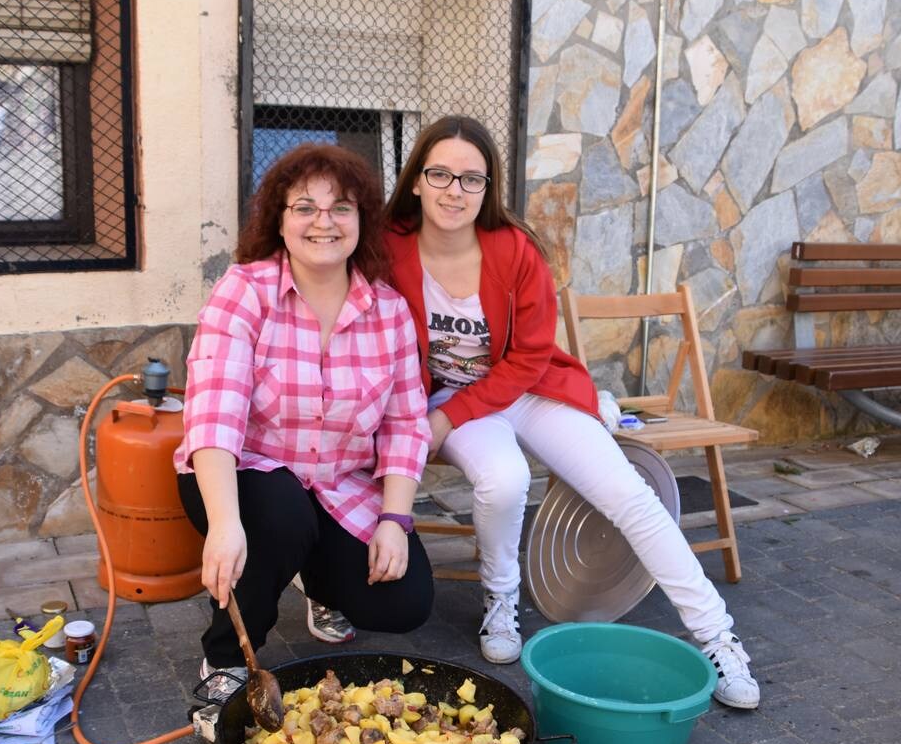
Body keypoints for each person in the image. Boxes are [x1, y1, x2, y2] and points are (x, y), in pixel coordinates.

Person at [380, 115, 759, 709]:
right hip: (451, 401)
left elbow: (529, 356)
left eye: (471, 179)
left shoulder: (514, 250)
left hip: (527, 389)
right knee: (502, 481)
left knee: (630, 494)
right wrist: (435, 414)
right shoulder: (388, 247)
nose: (455, 190)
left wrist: (448, 420)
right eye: (441, 174)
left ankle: (718, 636)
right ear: (417, 181)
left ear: (489, 189)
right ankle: (501, 604)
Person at [175, 143, 434, 700]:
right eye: (305, 208)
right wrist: (224, 526)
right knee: (281, 515)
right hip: (240, 477)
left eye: (341, 207)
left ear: (362, 220)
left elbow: (406, 422)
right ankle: (224, 663)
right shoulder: (245, 289)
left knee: (405, 601)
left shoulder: (388, 310)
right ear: (280, 219)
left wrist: (395, 519)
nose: (325, 222)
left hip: (338, 485)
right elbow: (214, 412)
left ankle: (317, 581)